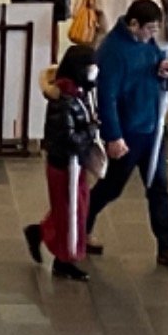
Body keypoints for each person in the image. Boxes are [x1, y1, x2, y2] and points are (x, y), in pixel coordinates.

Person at [87, 0, 168, 272]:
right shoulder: (113, 52)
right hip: (129, 131)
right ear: (133, 24)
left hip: (150, 128)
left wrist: (161, 68)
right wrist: (113, 136)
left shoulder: (144, 42)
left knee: (159, 186)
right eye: (149, 29)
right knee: (111, 187)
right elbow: (107, 97)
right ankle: (76, 224)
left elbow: (152, 61)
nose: (152, 34)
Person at [25, 44, 100, 282]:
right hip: (64, 164)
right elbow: (67, 138)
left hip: (73, 163)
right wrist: (90, 131)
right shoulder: (65, 101)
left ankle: (42, 235)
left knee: (73, 207)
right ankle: (64, 259)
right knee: (70, 211)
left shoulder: (79, 93)